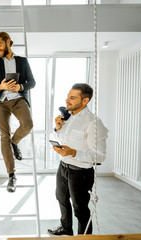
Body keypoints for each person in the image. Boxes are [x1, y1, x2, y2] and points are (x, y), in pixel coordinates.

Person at [47, 83, 108, 236]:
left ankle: (84, 238)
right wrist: (57, 128)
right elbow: (58, 139)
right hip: (63, 167)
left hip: (81, 173)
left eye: (72, 98)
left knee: (80, 209)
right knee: (61, 198)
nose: (67, 100)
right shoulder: (68, 117)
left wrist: (74, 152)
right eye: (68, 96)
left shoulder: (94, 123)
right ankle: (66, 228)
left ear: (85, 101)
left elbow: (100, 157)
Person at [0, 31, 36, 192]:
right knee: (3, 136)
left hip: (18, 99)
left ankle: (15, 142)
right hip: (1, 102)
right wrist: (1, 86)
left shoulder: (22, 61)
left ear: (7, 42)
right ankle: (11, 176)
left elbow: (32, 82)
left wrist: (20, 86)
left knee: (27, 125)